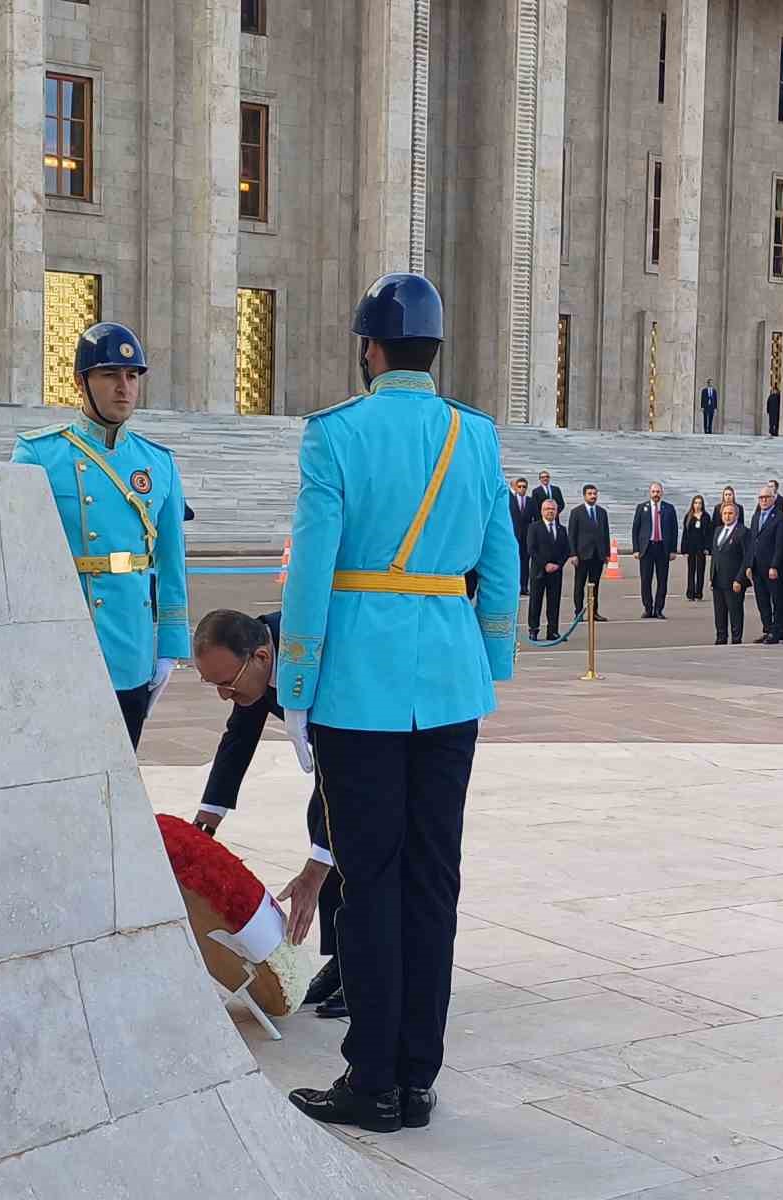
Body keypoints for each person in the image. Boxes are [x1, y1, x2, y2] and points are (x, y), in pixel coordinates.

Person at [281, 273, 517, 1134]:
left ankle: (371, 1078)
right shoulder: (476, 437)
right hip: (452, 680)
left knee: (370, 881)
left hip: (360, 686)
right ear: (435, 349)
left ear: (370, 350)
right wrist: (492, 658)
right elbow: (500, 558)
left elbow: (310, 569)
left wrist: (297, 687)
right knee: (433, 880)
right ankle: (418, 1074)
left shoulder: (335, 436)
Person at [12, 322, 188, 749]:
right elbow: (16, 560)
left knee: (122, 771)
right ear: (81, 382)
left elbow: (171, 563)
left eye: (132, 376)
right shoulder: (39, 454)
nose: (123, 388)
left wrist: (168, 647)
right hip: (63, 641)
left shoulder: (158, 463)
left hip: (131, 644)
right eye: (110, 375)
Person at [191, 609, 346, 1015]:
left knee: (349, 846)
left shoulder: (315, 656)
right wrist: (208, 818)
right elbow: (239, 738)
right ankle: (344, 959)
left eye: (226, 684)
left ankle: (365, 970)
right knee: (324, 831)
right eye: (213, 685)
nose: (224, 695)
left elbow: (344, 774)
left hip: (387, 743)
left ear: (261, 658)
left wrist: (317, 866)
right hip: (339, 757)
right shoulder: (258, 658)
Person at [526, 498, 572, 641]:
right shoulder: (534, 527)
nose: (550, 512)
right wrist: (545, 564)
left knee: (554, 602)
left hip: (556, 572)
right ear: (542, 511)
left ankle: (552, 630)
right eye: (547, 509)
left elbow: (566, 550)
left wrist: (558, 564)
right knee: (535, 601)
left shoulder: (561, 529)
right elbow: (531, 549)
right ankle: (533, 630)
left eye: (552, 509)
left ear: (557, 511)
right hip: (539, 571)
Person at [632, 481, 678, 618]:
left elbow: (674, 530)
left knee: (662, 580)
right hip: (647, 548)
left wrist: (673, 550)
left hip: (663, 548)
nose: (656, 494)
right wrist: (636, 549)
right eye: (653, 492)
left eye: (658, 492)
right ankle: (648, 608)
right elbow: (635, 529)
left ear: (662, 493)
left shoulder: (669, 508)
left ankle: (659, 609)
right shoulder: (642, 508)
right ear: (649, 493)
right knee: (646, 580)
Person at [747, 484, 783, 642]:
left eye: (766, 497)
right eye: (761, 498)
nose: (763, 500)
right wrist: (749, 564)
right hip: (757, 566)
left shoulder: (779, 517)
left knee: (777, 600)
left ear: (773, 499)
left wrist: (775, 565)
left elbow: (780, 544)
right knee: (762, 600)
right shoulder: (756, 516)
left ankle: (778, 630)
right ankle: (768, 628)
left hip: (771, 567)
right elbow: (752, 542)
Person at [568, 483, 611, 620]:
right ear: (584, 495)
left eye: (594, 493)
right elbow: (572, 534)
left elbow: (606, 534)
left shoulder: (602, 512)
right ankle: (578, 612)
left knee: (595, 585)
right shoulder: (576, 512)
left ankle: (594, 612)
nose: (593, 496)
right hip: (582, 555)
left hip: (598, 555)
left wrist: (607, 553)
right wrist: (573, 554)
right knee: (579, 585)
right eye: (590, 494)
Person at [709, 501, 750, 644]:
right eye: (725, 513)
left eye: (730, 513)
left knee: (735, 611)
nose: (727, 516)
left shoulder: (743, 531)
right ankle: (721, 638)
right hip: (718, 579)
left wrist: (740, 579)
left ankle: (736, 639)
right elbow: (715, 555)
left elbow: (747, 558)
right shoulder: (718, 531)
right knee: (719, 612)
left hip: (734, 581)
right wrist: (711, 576)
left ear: (737, 515)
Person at [680, 494, 713, 601]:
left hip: (701, 547)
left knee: (700, 570)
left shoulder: (706, 517)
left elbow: (709, 534)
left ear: (702, 504)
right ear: (692, 504)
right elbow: (685, 533)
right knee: (691, 570)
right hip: (691, 547)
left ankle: (699, 593)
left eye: (699, 503)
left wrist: (708, 548)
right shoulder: (688, 516)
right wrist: (684, 548)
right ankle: (690, 593)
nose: (697, 505)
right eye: (696, 503)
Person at [508, 477, 532, 595]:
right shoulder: (510, 501)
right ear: (515, 488)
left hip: (526, 537)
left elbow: (536, 519)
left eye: (524, 487)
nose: (522, 489)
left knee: (525, 562)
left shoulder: (530, 501)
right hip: (513, 536)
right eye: (520, 487)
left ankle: (524, 586)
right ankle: (513, 586)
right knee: (512, 562)